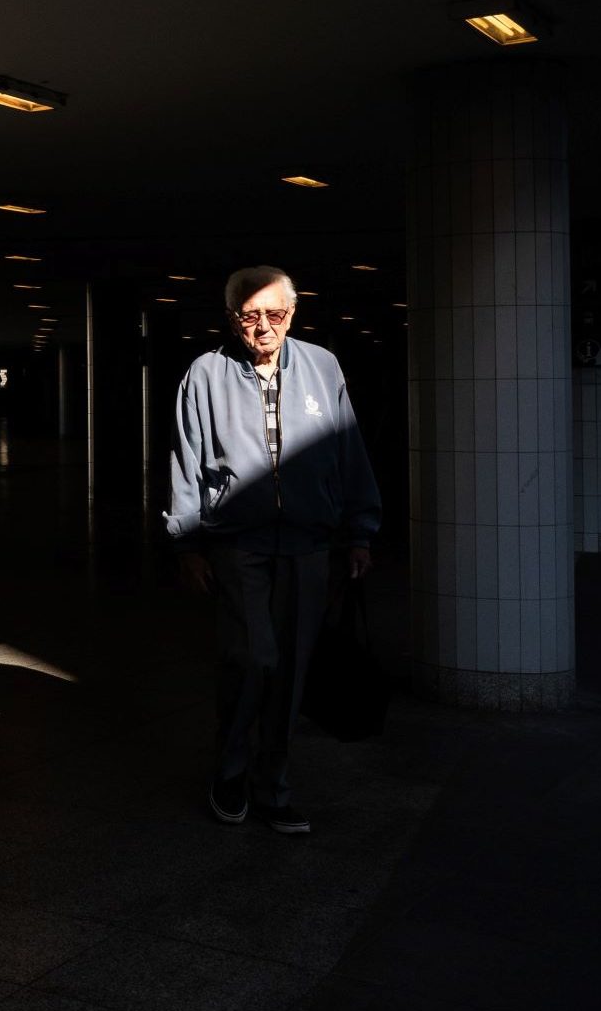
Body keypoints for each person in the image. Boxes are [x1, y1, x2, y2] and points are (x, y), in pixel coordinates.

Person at [164, 266, 380, 836]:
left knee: (292, 668)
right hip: (239, 543)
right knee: (253, 658)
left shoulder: (322, 366)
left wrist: (359, 531)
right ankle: (230, 771)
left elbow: (348, 451)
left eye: (275, 313)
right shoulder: (205, 374)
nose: (263, 326)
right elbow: (188, 462)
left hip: (309, 543)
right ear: (231, 317)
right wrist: (187, 542)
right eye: (250, 316)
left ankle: (273, 786)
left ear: (293, 312)